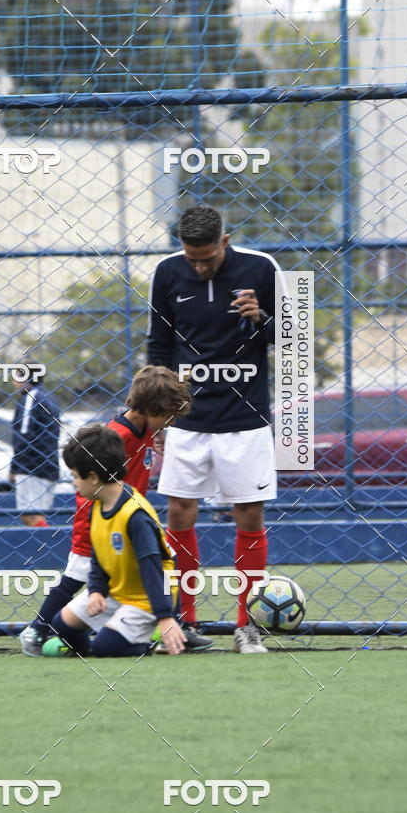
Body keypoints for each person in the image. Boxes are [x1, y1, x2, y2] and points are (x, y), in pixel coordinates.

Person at [147, 205, 286, 654]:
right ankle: (185, 621)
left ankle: (247, 626)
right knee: (179, 514)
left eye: (207, 257)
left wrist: (260, 318)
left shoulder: (261, 268)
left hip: (245, 419)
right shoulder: (167, 273)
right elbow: (159, 343)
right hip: (189, 418)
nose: (200, 265)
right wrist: (160, 414)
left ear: (225, 242)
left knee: (249, 516)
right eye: (192, 258)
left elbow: (287, 335)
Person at [19, 364, 213, 656]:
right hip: (99, 524)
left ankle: (175, 626)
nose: (170, 424)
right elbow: (87, 488)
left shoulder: (145, 427)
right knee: (76, 577)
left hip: (128, 521)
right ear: (149, 409)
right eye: (168, 417)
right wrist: (99, 522)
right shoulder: (117, 436)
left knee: (164, 563)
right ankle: (38, 628)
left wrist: (156, 434)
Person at [48, 425, 187, 657]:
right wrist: (96, 592)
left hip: (148, 600)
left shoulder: (135, 516)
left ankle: (145, 642)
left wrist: (165, 617)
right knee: (61, 624)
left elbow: (154, 570)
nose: (73, 483)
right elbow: (99, 558)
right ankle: (85, 651)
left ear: (92, 477)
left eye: (74, 476)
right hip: (116, 593)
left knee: (106, 648)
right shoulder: (98, 505)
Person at [10, 370, 60, 527]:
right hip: (47, 463)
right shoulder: (48, 396)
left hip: (32, 467)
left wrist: (15, 467)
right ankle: (46, 547)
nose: (13, 381)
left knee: (31, 516)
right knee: (36, 515)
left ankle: (47, 548)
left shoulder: (30, 398)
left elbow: (25, 436)